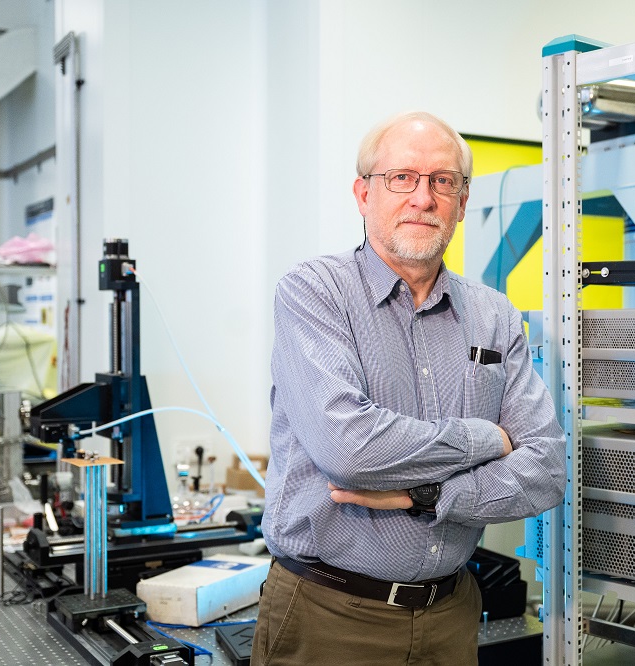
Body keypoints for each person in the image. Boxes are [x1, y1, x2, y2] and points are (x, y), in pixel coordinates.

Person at [252, 111, 565, 666]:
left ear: (462, 202)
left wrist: (430, 497)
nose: (423, 198)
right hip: (330, 616)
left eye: (443, 181)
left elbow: (546, 469)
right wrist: (486, 439)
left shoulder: (493, 315)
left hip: (452, 615)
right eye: (402, 178)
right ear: (363, 194)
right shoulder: (315, 292)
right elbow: (350, 451)